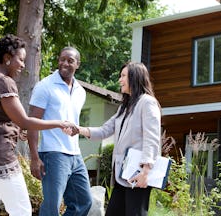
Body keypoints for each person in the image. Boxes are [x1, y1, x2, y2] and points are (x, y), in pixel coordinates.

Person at [0, 34, 78, 216]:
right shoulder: (4, 81)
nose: (23, 65)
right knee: (22, 211)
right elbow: (24, 120)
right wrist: (59, 123)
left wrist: (17, 130)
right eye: (21, 60)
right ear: (8, 58)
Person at [65, 61, 161, 216]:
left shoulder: (147, 102)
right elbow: (104, 130)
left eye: (123, 76)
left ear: (134, 77)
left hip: (138, 173)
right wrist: (79, 130)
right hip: (123, 174)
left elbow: (152, 137)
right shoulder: (125, 107)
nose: (119, 80)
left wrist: (145, 171)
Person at [27, 46, 92, 216]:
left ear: (77, 64)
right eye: (62, 59)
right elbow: (32, 123)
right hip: (53, 153)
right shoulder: (45, 86)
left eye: (70, 60)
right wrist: (34, 158)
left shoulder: (81, 91)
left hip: (75, 154)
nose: (64, 63)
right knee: (52, 207)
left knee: (83, 202)